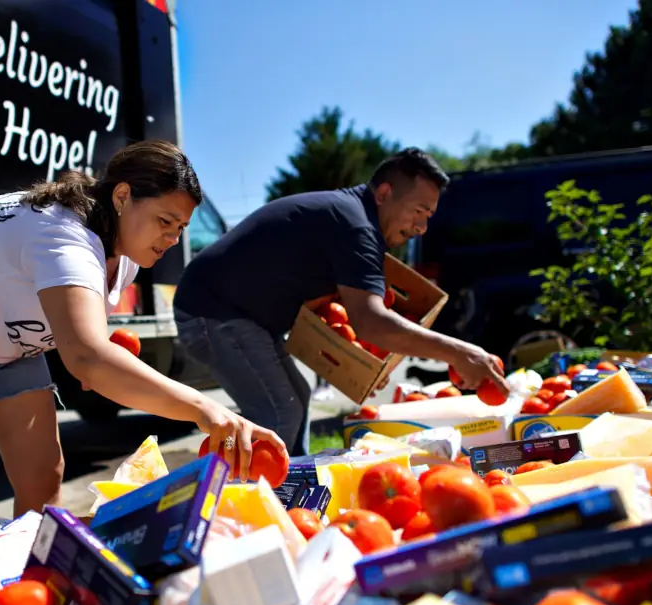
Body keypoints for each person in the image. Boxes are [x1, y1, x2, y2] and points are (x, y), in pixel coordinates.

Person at [0, 140, 285, 575]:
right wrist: (206, 408)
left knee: (42, 479)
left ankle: (28, 591)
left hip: (8, 349)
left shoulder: (121, 252)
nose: (174, 239)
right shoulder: (61, 234)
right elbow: (87, 358)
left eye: (181, 227)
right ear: (122, 197)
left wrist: (100, 356)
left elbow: (85, 344)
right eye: (165, 221)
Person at [172, 148, 509, 457]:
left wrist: (366, 362)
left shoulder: (353, 217)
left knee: (297, 399)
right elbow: (370, 322)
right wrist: (460, 352)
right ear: (384, 193)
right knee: (279, 411)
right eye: (419, 211)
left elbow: (344, 314)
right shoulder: (356, 227)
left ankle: (292, 495)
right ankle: (240, 502)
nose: (422, 227)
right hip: (213, 310)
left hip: (241, 315)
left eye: (429, 216)